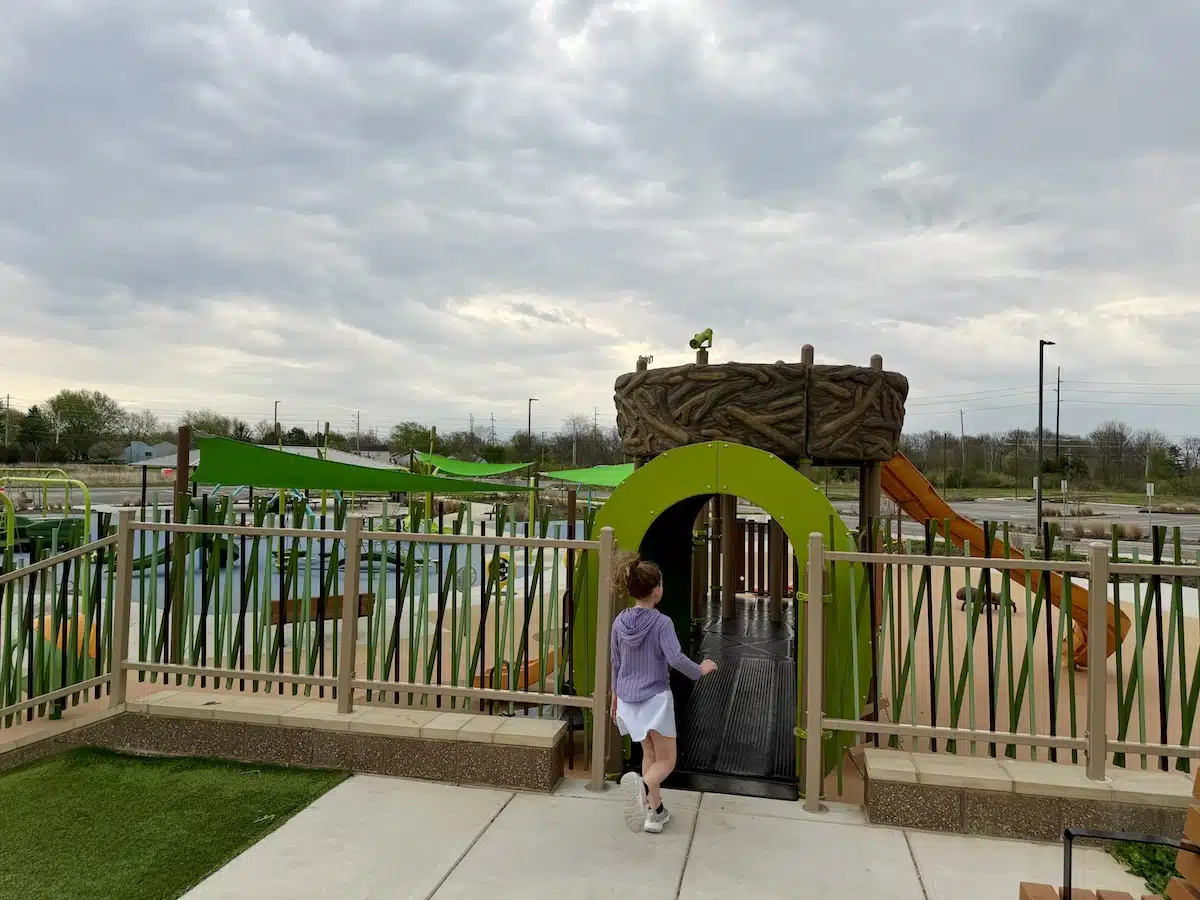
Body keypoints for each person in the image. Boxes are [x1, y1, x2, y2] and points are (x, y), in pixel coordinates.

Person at [609, 555, 717, 834]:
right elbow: (676, 658)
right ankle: (642, 790)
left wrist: (615, 698)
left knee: (650, 752)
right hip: (655, 698)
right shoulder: (661, 623)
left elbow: (616, 663)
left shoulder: (620, 621)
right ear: (657, 589)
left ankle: (654, 813)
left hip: (629, 699)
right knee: (668, 760)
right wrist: (700, 669)